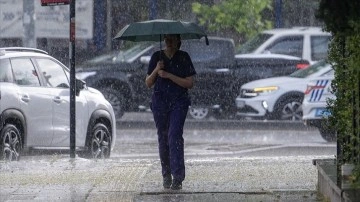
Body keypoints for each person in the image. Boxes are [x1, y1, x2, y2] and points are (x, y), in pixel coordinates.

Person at [145, 34, 196, 190]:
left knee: (174, 135)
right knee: (163, 137)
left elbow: (189, 83)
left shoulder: (183, 57)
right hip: (160, 102)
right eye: (166, 39)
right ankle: (166, 175)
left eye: (172, 39)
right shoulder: (157, 57)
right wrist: (156, 70)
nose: (168, 42)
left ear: (178, 41)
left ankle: (178, 177)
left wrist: (169, 75)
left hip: (178, 102)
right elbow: (148, 82)